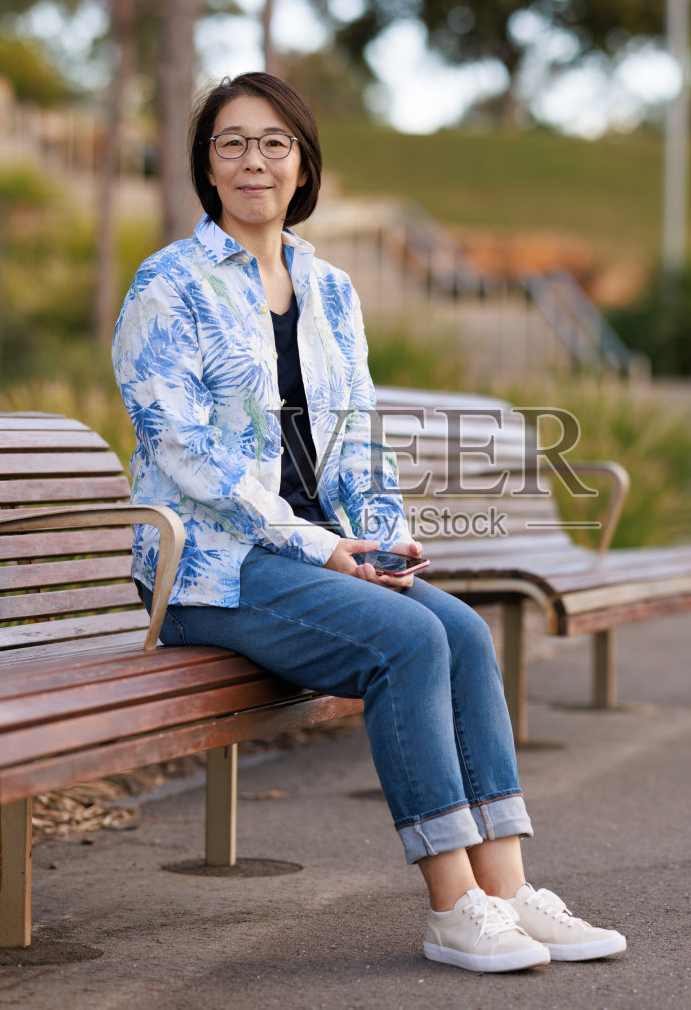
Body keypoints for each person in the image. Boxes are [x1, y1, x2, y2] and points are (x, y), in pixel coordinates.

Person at [111, 72, 625, 973]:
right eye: (232, 143)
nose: (254, 160)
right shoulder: (169, 285)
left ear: (303, 163)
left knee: (462, 632)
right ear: (207, 165)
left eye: (274, 142)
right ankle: (453, 906)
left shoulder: (330, 290)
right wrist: (320, 545)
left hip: (315, 556)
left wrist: (384, 534)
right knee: (406, 641)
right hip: (206, 570)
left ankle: (508, 889)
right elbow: (186, 452)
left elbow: (359, 434)